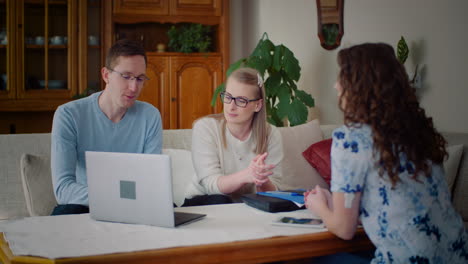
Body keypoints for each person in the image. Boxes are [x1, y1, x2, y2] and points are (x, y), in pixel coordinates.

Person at [305, 43, 468, 263]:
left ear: (358, 86)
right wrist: (335, 205)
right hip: (457, 254)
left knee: (311, 258)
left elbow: (344, 230)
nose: (336, 86)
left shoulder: (350, 138)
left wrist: (320, 208)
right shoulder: (418, 131)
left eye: (342, 77)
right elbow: (394, 205)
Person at [51, 39, 163, 215]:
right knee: (64, 213)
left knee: (171, 213)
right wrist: (115, 198)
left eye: (140, 78)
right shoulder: (68, 115)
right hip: (86, 204)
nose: (134, 87)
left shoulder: (150, 116)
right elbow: (63, 189)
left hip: (136, 204)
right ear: (106, 75)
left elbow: (152, 180)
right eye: (126, 76)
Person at [183, 67, 284, 206]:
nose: (231, 107)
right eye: (228, 97)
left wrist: (262, 179)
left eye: (241, 100)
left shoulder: (271, 134)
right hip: (203, 201)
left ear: (258, 105)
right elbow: (211, 185)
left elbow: (275, 192)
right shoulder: (205, 127)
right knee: (221, 200)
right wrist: (247, 175)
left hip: (245, 205)